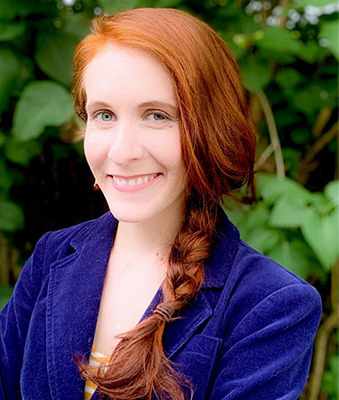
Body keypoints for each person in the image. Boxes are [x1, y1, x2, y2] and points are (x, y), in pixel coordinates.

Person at [0, 7, 321, 400]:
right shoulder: (51, 256)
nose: (121, 152)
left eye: (156, 116)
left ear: (211, 129)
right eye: (104, 115)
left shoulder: (272, 305)